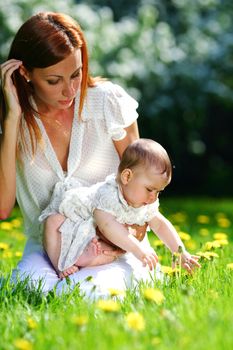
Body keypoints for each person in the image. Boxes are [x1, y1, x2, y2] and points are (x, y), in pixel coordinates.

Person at [0, 12, 197, 298]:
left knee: (86, 292)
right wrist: (11, 121)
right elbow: (3, 208)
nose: (69, 91)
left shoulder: (108, 102)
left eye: (76, 74)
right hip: (49, 248)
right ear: (25, 73)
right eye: (54, 80)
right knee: (29, 289)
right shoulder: (14, 120)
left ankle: (135, 277)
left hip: (113, 247)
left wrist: (121, 239)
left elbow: (142, 183)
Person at [40, 139, 200, 279]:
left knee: (112, 250)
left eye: (158, 192)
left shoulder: (145, 201)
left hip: (101, 236)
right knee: (52, 221)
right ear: (127, 177)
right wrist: (138, 251)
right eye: (150, 189)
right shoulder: (108, 195)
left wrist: (180, 252)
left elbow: (160, 224)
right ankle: (59, 265)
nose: (153, 197)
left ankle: (89, 257)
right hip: (78, 220)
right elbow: (107, 225)